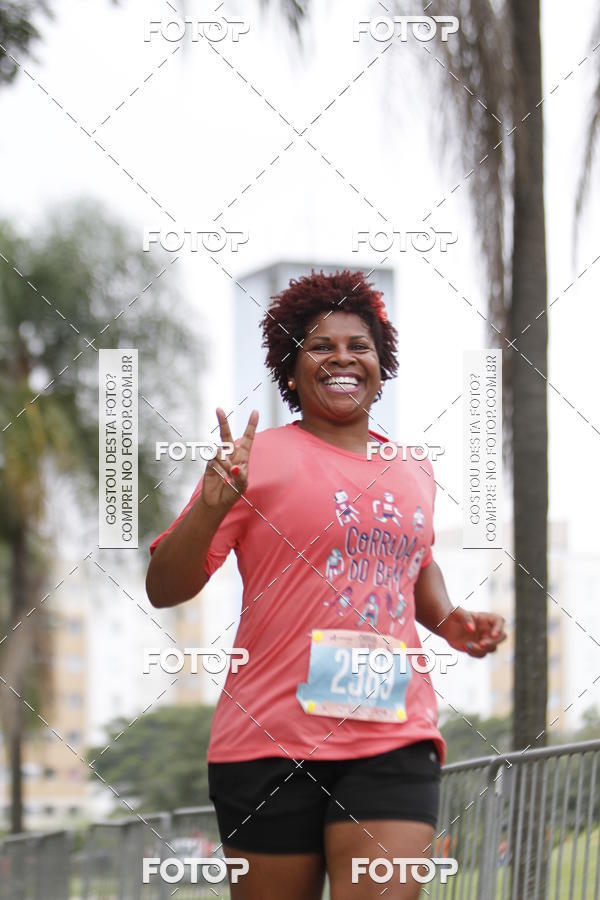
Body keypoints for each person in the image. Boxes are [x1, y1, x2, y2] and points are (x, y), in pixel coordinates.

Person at [146, 269, 506, 900]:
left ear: (379, 365)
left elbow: (415, 563)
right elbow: (164, 587)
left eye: (358, 346)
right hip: (267, 740)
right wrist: (208, 507)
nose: (342, 357)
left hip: (392, 733)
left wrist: (451, 620)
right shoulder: (255, 460)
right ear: (291, 369)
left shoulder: (413, 468)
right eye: (320, 346)